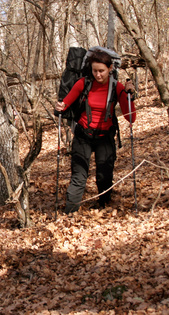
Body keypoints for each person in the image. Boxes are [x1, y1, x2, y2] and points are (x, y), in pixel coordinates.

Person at [55, 49, 136, 213]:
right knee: (79, 177)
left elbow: (131, 117)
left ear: (110, 69)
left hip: (105, 137)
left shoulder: (117, 87)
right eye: (95, 71)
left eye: (101, 71)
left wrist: (129, 96)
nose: (98, 75)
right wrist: (60, 106)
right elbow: (65, 104)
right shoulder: (83, 83)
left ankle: (104, 206)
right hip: (83, 135)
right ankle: (70, 212)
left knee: (104, 176)